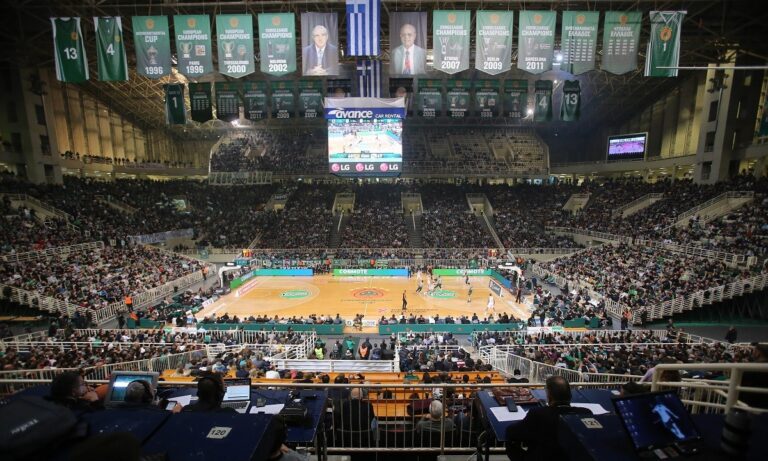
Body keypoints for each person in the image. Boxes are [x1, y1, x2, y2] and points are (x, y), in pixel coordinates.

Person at [505, 376, 592, 460]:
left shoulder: (538, 414)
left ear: (549, 395)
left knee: (512, 442)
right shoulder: (586, 413)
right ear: (570, 394)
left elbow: (512, 431)